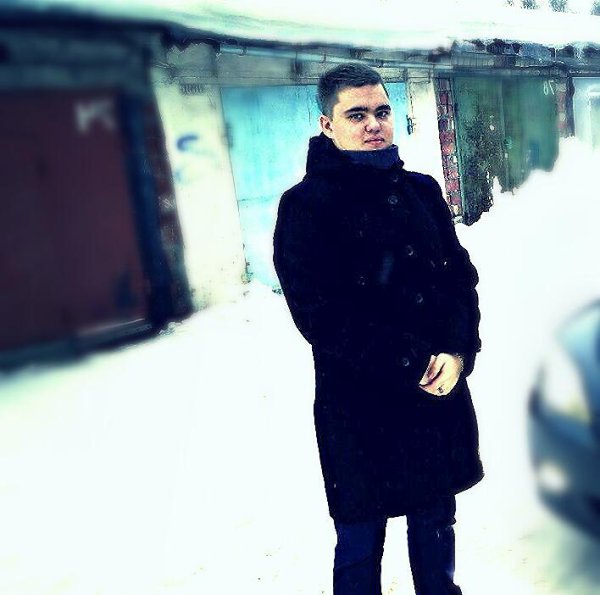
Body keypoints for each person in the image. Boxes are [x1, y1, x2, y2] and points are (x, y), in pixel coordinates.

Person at [273, 63, 483, 595]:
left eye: (382, 111)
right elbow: (320, 314)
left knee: (436, 527)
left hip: (434, 397)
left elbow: (458, 280)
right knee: (360, 542)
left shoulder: (422, 192)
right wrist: (410, 360)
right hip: (360, 409)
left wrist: (457, 352)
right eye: (357, 114)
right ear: (327, 125)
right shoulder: (306, 207)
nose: (373, 124)